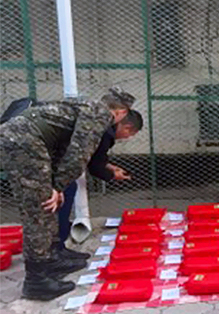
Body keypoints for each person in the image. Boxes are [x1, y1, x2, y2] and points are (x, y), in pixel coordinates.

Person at [0, 88, 135, 301]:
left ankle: (53, 257)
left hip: (29, 142)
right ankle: (37, 281)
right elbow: (78, 155)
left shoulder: (87, 105)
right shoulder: (100, 114)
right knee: (40, 208)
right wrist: (57, 187)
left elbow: (62, 148)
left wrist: (57, 185)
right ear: (121, 112)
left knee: (50, 201)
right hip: (23, 143)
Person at [57, 109, 143, 260]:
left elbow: (94, 156)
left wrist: (109, 167)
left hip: (59, 157)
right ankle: (58, 246)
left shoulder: (102, 126)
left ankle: (59, 233)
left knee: (67, 191)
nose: (127, 138)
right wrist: (112, 175)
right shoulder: (106, 133)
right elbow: (95, 167)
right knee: (65, 192)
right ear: (127, 127)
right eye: (130, 134)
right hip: (56, 160)